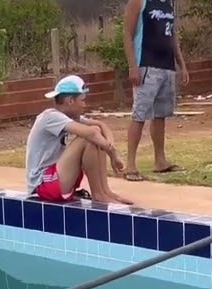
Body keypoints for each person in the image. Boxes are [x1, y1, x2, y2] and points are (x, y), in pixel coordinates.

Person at [121, 0, 188, 182]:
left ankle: (160, 160)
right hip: (146, 65)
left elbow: (172, 35)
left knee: (160, 115)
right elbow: (127, 34)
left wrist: (181, 65)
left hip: (166, 66)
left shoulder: (169, 1)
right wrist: (132, 66)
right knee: (140, 114)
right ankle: (130, 165)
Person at [25, 74, 132, 205]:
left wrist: (111, 148)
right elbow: (91, 134)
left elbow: (101, 126)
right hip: (42, 185)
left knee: (94, 133)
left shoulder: (68, 117)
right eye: (82, 100)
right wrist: (113, 155)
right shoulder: (50, 117)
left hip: (56, 179)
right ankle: (99, 195)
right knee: (87, 138)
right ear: (70, 100)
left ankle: (105, 192)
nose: (85, 105)